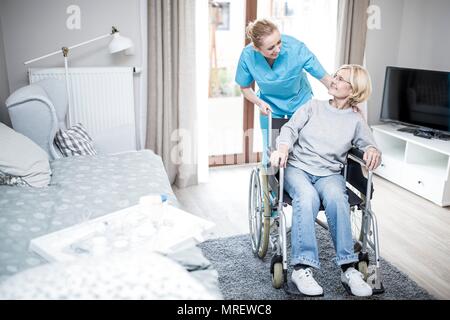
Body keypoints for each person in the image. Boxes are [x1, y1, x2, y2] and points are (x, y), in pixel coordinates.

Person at [270, 64, 382, 297]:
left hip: (329, 173)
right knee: (307, 197)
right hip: (297, 168)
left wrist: (372, 150)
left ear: (353, 91)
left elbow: (368, 143)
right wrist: (282, 148)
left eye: (341, 80)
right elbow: (290, 129)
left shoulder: (355, 120)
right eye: (336, 76)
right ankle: (302, 268)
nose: (333, 80)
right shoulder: (313, 106)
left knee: (337, 199)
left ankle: (348, 268)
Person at [235, 19, 333, 161]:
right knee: (271, 151)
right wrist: (259, 103)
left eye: (279, 42)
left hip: (299, 102)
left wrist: (346, 99)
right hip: (269, 106)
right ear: (257, 48)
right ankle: (269, 179)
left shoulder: (295, 48)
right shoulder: (248, 55)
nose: (278, 49)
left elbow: (325, 78)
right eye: (270, 48)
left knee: (301, 148)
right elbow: (244, 87)